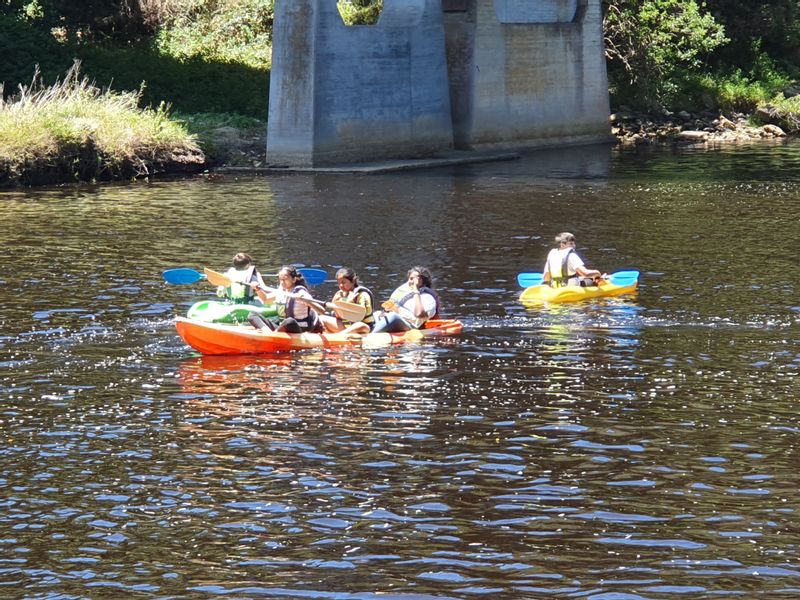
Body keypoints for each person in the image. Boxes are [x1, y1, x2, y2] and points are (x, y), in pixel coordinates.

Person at [248, 265, 323, 333]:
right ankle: (267, 332)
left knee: (289, 321)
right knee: (252, 315)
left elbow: (322, 311)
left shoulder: (301, 292)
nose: (282, 282)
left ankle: (275, 334)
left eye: (285, 279)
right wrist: (257, 290)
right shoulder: (282, 291)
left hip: (299, 328)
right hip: (282, 327)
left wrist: (307, 301)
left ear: (294, 280)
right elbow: (266, 299)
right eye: (280, 279)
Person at [371, 266, 439, 333]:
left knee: (393, 317)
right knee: (376, 314)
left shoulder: (428, 298)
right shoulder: (406, 294)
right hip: (394, 319)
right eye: (409, 279)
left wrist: (416, 291)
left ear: (421, 280)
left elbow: (419, 315)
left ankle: (370, 335)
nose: (409, 282)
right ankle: (365, 331)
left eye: (412, 279)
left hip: (411, 325)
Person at [319, 267, 375, 335]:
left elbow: (360, 316)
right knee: (321, 318)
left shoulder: (363, 295)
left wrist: (350, 303)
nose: (341, 286)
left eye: (343, 282)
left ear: (353, 281)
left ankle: (339, 336)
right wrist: (334, 304)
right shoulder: (340, 295)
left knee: (359, 325)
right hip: (347, 327)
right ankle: (328, 336)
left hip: (364, 327)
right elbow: (338, 317)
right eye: (339, 283)